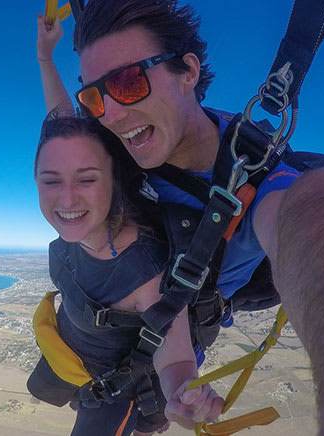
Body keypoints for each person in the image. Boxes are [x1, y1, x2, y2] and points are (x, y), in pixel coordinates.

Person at [40, 0, 324, 434]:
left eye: (127, 82)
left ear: (188, 72)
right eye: (93, 95)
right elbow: (65, 125)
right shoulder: (113, 138)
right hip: (81, 325)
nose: (110, 114)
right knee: (49, 383)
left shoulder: (259, 183)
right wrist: (46, 57)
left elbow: (313, 221)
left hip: (148, 360)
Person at [29, 104, 228, 435]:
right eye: (51, 181)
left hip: (118, 392)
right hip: (73, 353)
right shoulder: (77, 227)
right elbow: (62, 130)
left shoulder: (144, 270)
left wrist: (184, 391)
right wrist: (45, 58)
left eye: (87, 179)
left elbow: (175, 357)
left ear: (113, 180)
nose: (66, 198)